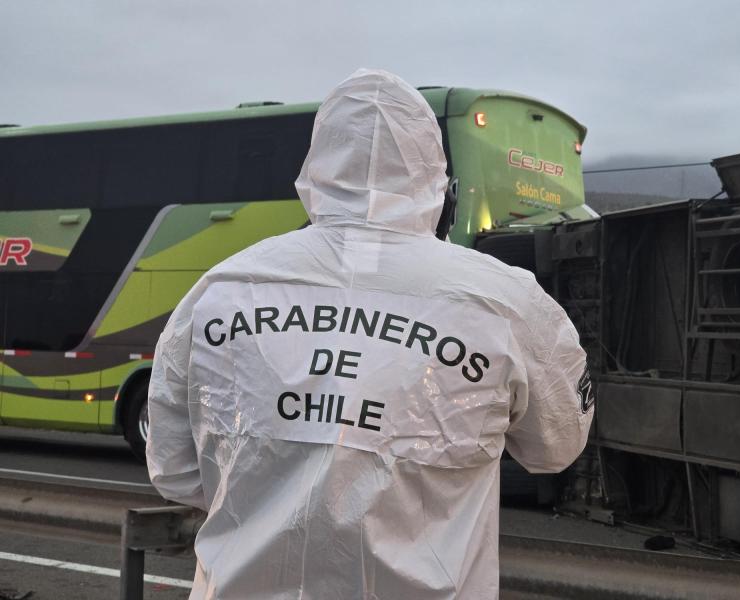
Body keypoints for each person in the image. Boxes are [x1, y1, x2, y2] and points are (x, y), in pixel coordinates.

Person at [146, 68, 593, 600]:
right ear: (437, 182)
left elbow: (173, 471)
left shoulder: (222, 289)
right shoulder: (507, 302)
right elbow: (556, 447)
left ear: (315, 168)